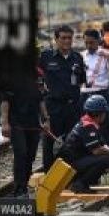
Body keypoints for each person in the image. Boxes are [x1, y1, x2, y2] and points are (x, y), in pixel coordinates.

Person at [38, 25, 86, 170]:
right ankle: (48, 174)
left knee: (72, 142)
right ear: (56, 39)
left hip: (73, 107)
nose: (67, 41)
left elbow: (82, 80)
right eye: (63, 38)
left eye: (69, 38)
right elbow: (36, 75)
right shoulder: (46, 57)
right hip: (53, 106)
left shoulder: (77, 58)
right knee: (49, 141)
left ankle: (69, 174)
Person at [58, 94, 109, 193]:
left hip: (74, 160)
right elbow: (97, 150)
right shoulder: (88, 126)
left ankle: (86, 182)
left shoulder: (86, 122)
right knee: (106, 160)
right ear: (100, 113)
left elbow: (99, 144)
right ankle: (81, 184)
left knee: (104, 156)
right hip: (72, 164)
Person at [0, 84, 43, 195]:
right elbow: (5, 101)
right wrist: (4, 122)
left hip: (33, 124)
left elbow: (41, 100)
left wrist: (46, 118)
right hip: (17, 124)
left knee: (30, 155)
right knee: (21, 153)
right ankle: (19, 187)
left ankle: (24, 183)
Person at [80, 29, 109, 127]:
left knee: (103, 127)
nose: (89, 46)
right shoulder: (81, 56)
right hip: (84, 94)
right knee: (86, 126)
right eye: (86, 43)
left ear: (98, 41)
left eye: (92, 43)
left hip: (101, 94)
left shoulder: (107, 54)